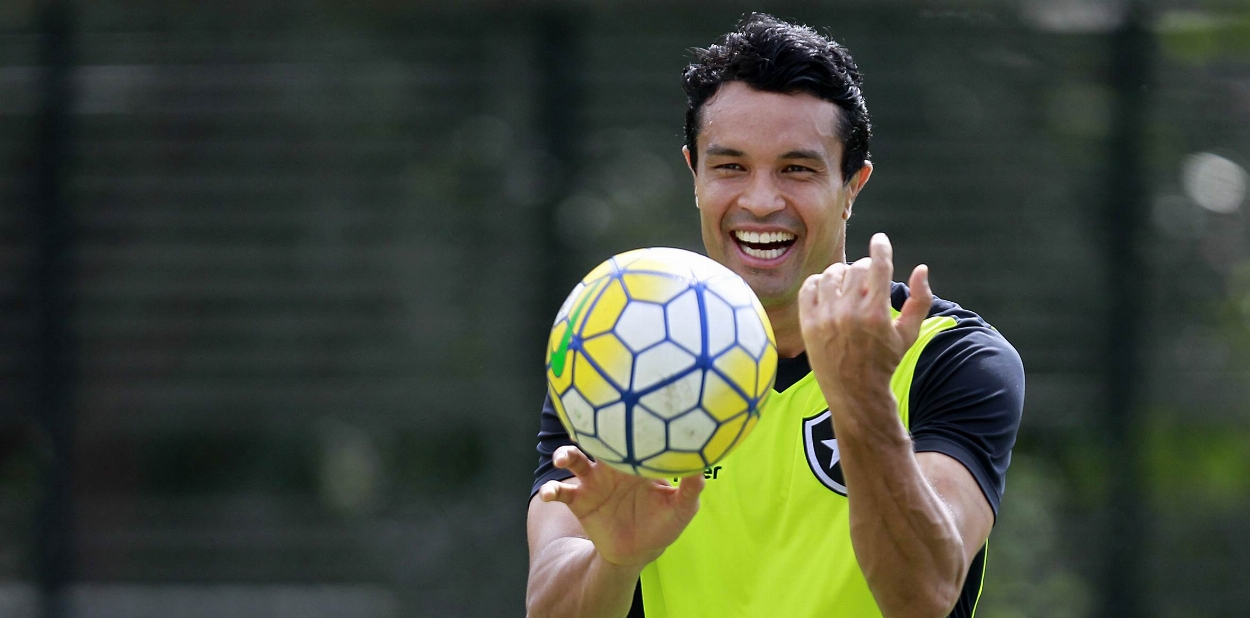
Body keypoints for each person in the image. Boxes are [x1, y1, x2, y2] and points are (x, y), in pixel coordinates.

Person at [525, 13, 1024, 618]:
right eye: (730, 166)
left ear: (853, 186)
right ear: (694, 175)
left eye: (797, 169)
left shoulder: (949, 357)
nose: (761, 202)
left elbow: (925, 596)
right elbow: (547, 606)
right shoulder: (614, 349)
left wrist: (864, 401)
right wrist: (616, 560)